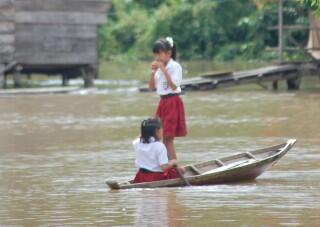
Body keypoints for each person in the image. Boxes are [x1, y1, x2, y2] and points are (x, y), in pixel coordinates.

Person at [149, 37, 187, 160]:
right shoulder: (159, 69)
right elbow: (151, 87)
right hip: (163, 102)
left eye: (160, 54)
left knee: (168, 137)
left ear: (168, 53)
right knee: (155, 133)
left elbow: (174, 85)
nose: (157, 57)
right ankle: (165, 164)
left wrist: (163, 70)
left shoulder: (175, 67)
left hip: (173, 101)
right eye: (156, 54)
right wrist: (153, 72)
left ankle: (174, 167)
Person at [133, 118, 182, 184]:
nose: (162, 132)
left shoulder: (137, 143)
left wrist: (145, 130)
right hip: (156, 177)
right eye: (161, 130)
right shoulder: (159, 146)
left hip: (140, 177)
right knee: (176, 171)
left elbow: (139, 137)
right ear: (157, 131)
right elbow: (164, 167)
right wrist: (173, 162)